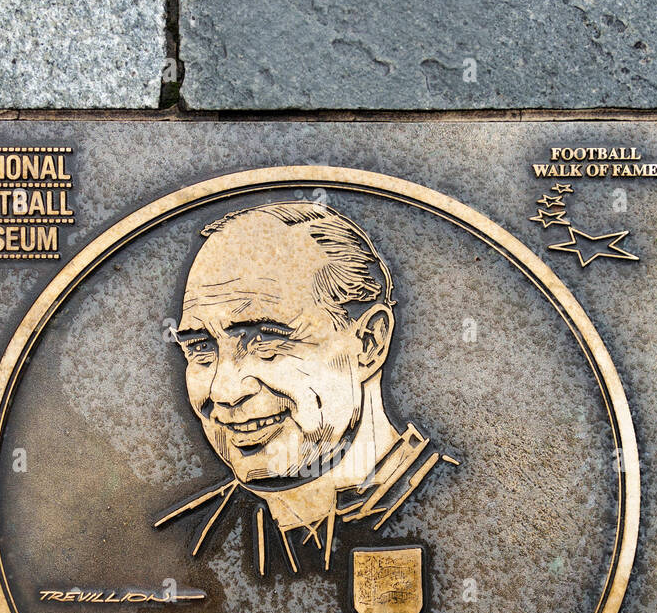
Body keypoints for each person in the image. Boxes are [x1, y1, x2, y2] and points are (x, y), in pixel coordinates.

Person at [155, 201, 456, 574]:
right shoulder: (183, 543)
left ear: (368, 345)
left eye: (265, 340)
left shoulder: (474, 513)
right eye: (201, 349)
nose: (224, 391)